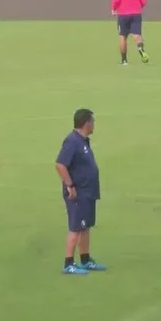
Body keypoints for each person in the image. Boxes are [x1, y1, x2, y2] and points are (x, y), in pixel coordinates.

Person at [54, 109, 107, 275]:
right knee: (76, 227)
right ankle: (68, 263)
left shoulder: (82, 141)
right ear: (86, 123)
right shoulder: (72, 141)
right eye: (92, 121)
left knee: (85, 226)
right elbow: (60, 164)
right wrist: (70, 185)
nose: (94, 125)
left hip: (88, 191)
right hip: (77, 192)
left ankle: (85, 260)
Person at [111, 0, 149, 66]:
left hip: (123, 14)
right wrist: (137, 7)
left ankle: (124, 61)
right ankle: (140, 49)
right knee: (137, 34)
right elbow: (144, 1)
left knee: (122, 36)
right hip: (136, 14)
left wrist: (113, 9)